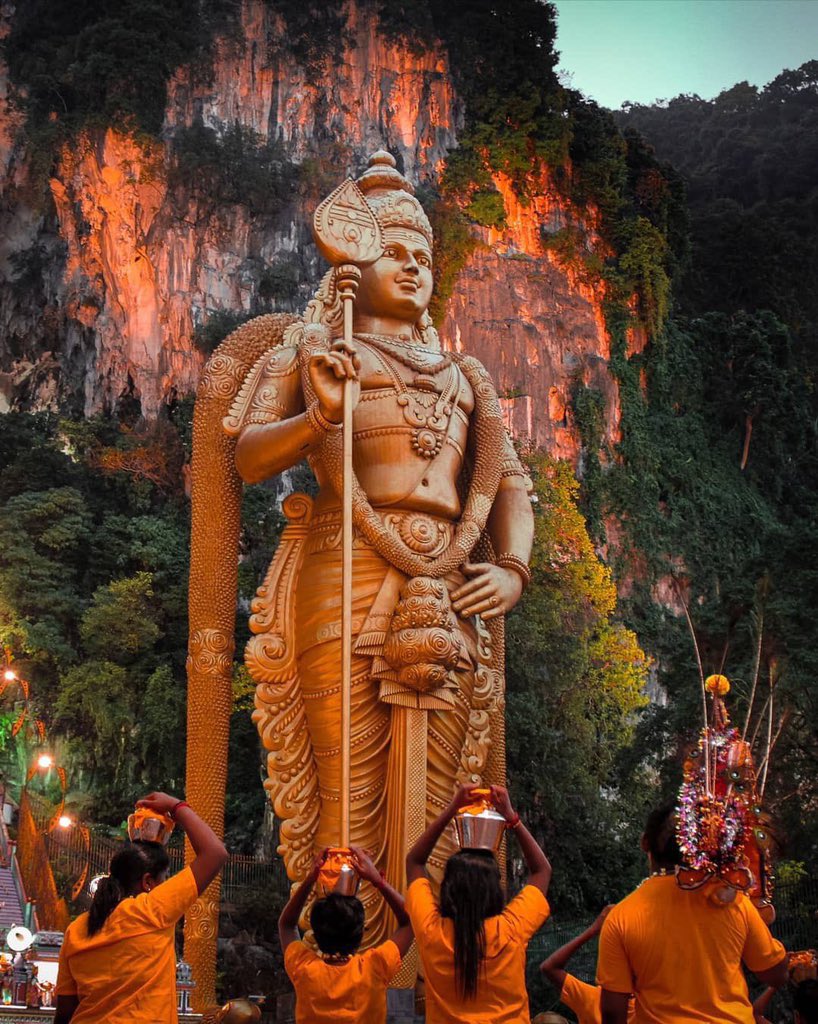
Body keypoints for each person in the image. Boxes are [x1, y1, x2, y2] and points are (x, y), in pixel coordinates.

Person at [193, 149, 535, 946]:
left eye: (424, 256)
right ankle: (346, 959)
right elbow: (247, 456)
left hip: (450, 587)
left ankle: (433, 965)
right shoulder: (317, 348)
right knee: (345, 788)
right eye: (395, 252)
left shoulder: (464, 376)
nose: (413, 267)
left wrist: (514, 569)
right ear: (353, 262)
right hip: (342, 570)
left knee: (446, 798)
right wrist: (320, 414)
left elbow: (509, 484)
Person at [597, 803, 788, 1024]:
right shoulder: (732, 901)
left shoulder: (620, 917)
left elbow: (612, 1012)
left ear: (644, 843)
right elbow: (776, 975)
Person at [54, 792, 227, 1024]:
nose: (166, 884)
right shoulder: (152, 910)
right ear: (148, 882)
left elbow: (64, 1012)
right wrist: (176, 806)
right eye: (164, 878)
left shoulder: (76, 929)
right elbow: (215, 853)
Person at [405, 783, 551, 1023]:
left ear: (448, 887)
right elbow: (542, 871)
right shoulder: (511, 930)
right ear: (494, 890)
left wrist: (452, 809)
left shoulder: (432, 932)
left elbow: (414, 862)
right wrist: (512, 818)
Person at [278, 845, 413, 1023]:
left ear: (316, 933)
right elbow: (409, 922)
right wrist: (377, 880)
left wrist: (311, 878)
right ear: (361, 933)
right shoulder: (374, 968)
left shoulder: (304, 970)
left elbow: (286, 925)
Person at [540, 907, 634, 1023]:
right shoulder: (650, 1003)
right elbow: (549, 968)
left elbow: (549, 968)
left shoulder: (594, 999)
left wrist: (593, 930)